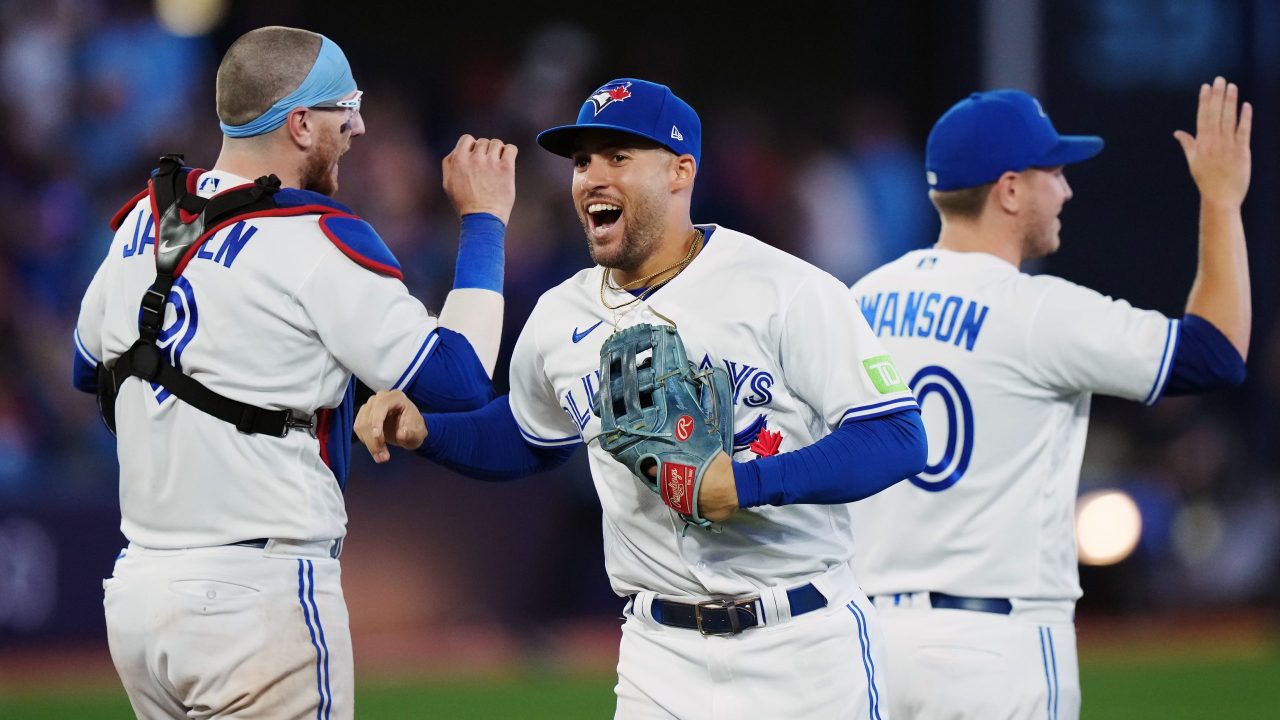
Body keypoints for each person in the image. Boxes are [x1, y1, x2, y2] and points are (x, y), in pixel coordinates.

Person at [353, 77, 928, 718]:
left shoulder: (786, 289)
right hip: (660, 654)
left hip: (799, 641)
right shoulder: (560, 315)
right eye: (581, 161)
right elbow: (526, 434)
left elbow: (897, 436)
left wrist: (744, 484)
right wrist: (425, 431)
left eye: (618, 157)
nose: (592, 177)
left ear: (681, 171)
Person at [71, 26, 516, 719]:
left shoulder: (141, 223)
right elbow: (459, 381)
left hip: (140, 598)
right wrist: (485, 222)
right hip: (258, 596)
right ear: (302, 123)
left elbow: (89, 364)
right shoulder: (313, 237)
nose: (361, 126)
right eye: (348, 108)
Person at [848, 78, 1252, 719]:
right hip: (995, 647)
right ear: (1009, 189)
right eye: (1053, 172)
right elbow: (1216, 355)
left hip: (865, 648)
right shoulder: (1036, 311)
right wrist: (1222, 201)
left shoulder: (860, 300)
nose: (1065, 189)